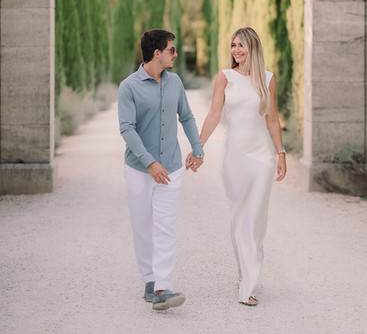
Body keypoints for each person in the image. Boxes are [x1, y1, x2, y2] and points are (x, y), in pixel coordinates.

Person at [186, 26, 286, 306]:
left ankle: (248, 283)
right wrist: (198, 147)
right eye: (233, 45)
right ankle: (246, 276)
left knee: (256, 217)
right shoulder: (225, 77)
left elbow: (273, 119)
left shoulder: (268, 79)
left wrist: (281, 153)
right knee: (240, 217)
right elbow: (214, 114)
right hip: (235, 157)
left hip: (262, 157)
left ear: (253, 48)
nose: (236, 51)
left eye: (241, 45)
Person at [118, 29, 204, 311]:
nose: (175, 55)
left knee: (166, 226)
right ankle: (149, 280)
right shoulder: (128, 87)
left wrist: (198, 147)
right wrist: (149, 162)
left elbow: (187, 116)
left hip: (172, 167)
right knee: (143, 226)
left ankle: (162, 287)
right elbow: (127, 129)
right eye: (171, 50)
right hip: (139, 170)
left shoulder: (175, 82)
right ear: (156, 53)